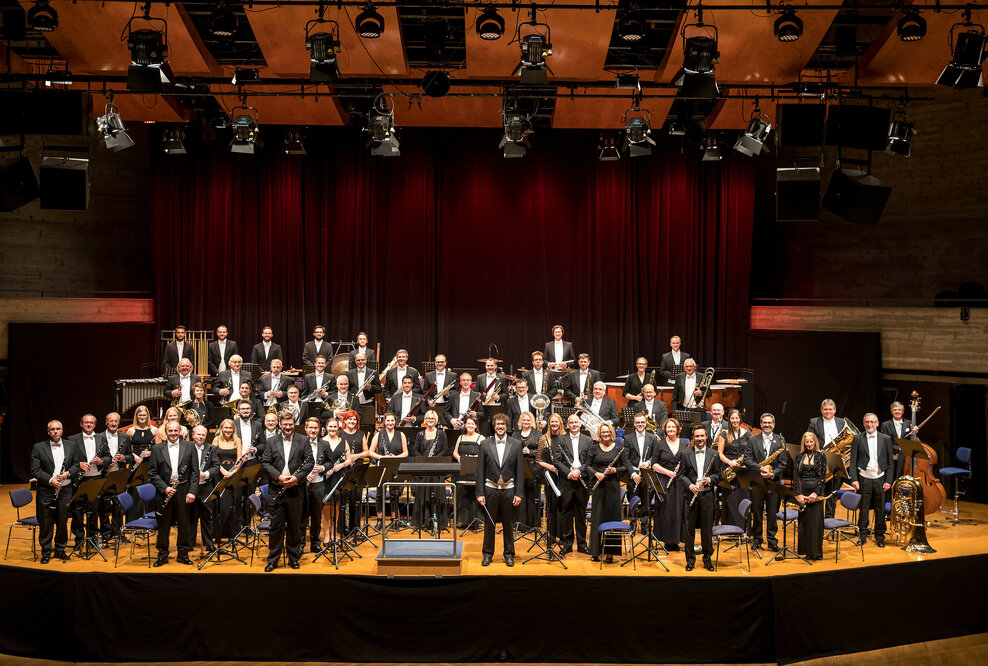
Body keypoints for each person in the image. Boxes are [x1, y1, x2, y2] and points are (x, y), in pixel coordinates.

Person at [261, 412, 313, 571]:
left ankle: (293, 558)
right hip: (276, 490)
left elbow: (310, 461)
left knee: (294, 526)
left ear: (294, 424)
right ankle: (273, 560)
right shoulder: (271, 441)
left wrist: (296, 478)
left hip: (296, 491)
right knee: (275, 527)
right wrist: (279, 477)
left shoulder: (303, 440)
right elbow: (265, 463)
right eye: (284, 424)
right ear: (279, 425)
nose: (288, 427)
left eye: (290, 424)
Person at [476, 412, 525, 566]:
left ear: (507, 426)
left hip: (509, 490)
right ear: (494, 426)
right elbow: (480, 470)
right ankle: (487, 554)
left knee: (508, 524)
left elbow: (519, 472)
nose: (500, 427)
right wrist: (480, 493)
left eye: (502, 424)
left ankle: (509, 554)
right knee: (489, 524)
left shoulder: (516, 444)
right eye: (497, 424)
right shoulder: (484, 444)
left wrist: (518, 493)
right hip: (490, 489)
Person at [148, 421, 199, 566]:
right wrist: (164, 488)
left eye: (175, 431)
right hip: (165, 492)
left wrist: (192, 492)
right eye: (170, 431)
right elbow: (152, 473)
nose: (173, 433)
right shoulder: (157, 449)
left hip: (183, 491)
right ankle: (162, 555)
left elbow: (195, 472)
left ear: (180, 431)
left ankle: (183, 554)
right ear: (165, 432)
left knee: (184, 525)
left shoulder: (189, 446)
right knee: (163, 526)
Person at [30, 420, 78, 563]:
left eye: (58, 429)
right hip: (46, 489)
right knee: (46, 522)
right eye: (52, 429)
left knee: (62, 522)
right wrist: (51, 480)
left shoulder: (71, 445)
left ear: (62, 430)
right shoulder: (38, 447)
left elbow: (77, 464)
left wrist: (68, 473)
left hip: (65, 488)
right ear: (48, 431)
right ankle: (46, 551)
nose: (55, 431)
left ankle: (60, 549)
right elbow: (35, 470)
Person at [850, 413, 895, 547]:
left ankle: (880, 537)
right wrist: (854, 479)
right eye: (867, 422)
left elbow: (890, 463)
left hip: (880, 478)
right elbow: (853, 461)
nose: (869, 424)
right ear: (863, 423)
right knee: (863, 509)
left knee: (880, 509)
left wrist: (888, 480)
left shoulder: (886, 438)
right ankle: (862, 535)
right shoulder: (857, 438)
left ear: (877, 423)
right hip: (864, 478)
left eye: (872, 422)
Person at [679, 425, 719, 571]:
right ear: (693, 438)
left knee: (707, 530)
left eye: (702, 436)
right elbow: (680, 475)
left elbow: (718, 475)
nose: (700, 439)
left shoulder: (714, 454)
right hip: (690, 495)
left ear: (706, 436)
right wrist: (690, 486)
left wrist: (710, 479)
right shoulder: (685, 454)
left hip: (707, 496)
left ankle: (707, 559)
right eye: (697, 436)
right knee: (689, 530)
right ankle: (690, 560)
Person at [587, 422, 628, 563]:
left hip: (612, 486)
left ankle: (610, 552)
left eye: (608, 432)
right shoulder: (593, 447)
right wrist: (597, 474)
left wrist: (615, 470)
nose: (606, 434)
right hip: (599, 486)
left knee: (612, 517)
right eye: (603, 432)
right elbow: (588, 466)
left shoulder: (619, 448)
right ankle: (595, 552)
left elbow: (625, 467)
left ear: (612, 433)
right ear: (600, 433)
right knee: (597, 517)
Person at [746, 413, 786, 550]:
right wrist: (760, 468)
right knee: (756, 512)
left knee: (772, 513)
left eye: (769, 423)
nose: (767, 425)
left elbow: (783, 463)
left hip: (773, 483)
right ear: (761, 424)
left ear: (774, 425)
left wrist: (772, 474)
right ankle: (757, 540)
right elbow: (747, 460)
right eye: (764, 423)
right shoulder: (752, 440)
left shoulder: (780, 440)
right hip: (757, 482)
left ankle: (772, 541)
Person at [553, 413, 591, 555]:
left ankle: (582, 544)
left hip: (582, 481)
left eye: (576, 422)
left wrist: (579, 472)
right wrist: (569, 473)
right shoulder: (561, 440)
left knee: (581, 514)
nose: (574, 425)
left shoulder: (588, 440)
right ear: (567, 425)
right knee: (566, 513)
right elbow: (557, 460)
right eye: (571, 422)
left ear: (580, 424)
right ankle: (567, 544)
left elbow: (589, 461)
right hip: (567, 481)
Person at [68, 413, 107, 546]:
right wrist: (79, 464)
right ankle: (79, 539)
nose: (89, 424)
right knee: (77, 511)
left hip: (96, 479)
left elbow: (108, 457)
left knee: (94, 510)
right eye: (86, 422)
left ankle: (93, 539)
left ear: (95, 425)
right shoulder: (72, 439)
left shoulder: (102, 438)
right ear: (81, 424)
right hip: (79, 480)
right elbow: (68, 460)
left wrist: (101, 460)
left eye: (91, 423)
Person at [807, 398, 848, 519]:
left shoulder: (841, 422)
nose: (827, 411)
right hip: (819, 460)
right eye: (825, 409)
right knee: (817, 489)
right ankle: (816, 518)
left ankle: (829, 519)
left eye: (830, 409)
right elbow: (808, 439)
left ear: (835, 410)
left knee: (833, 492)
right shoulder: (814, 422)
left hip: (836, 461)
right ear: (821, 410)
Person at [96, 412, 132, 544]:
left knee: (118, 506)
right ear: (106, 422)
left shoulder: (125, 437)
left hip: (119, 475)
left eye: (115, 421)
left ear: (119, 423)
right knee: (104, 507)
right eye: (110, 421)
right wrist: (105, 462)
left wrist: (124, 458)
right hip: (104, 475)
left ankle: (117, 533)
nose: (113, 423)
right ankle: (105, 533)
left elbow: (130, 456)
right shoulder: (98, 437)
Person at [651, 418, 685, 551]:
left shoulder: (683, 444)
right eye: (668, 427)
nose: (671, 429)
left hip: (679, 482)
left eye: (673, 427)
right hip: (664, 480)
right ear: (665, 429)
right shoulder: (660, 444)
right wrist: (668, 473)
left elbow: (688, 461)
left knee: (678, 510)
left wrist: (679, 469)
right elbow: (654, 464)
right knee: (666, 511)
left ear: (677, 429)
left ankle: (676, 540)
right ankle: (666, 539)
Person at [412, 410, 449, 532]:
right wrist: (423, 460)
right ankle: (424, 521)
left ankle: (439, 521)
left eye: (432, 418)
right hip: (424, 468)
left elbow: (445, 449)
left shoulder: (441, 434)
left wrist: (435, 459)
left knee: (437, 494)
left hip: (437, 467)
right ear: (425, 420)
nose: (430, 420)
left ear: (436, 420)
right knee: (423, 493)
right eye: (428, 418)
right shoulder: (420, 434)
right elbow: (415, 449)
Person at [369, 412, 408, 527]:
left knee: (394, 494)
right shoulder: (378, 435)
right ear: (384, 422)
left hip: (395, 467)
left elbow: (406, 452)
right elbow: (370, 452)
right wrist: (382, 457)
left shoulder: (401, 435)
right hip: (381, 466)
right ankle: (380, 520)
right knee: (380, 494)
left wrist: (395, 458)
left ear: (395, 422)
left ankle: (394, 520)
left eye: (392, 421)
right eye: (388, 421)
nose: (390, 423)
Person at [713, 408, 750, 527]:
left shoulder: (747, 433)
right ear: (729, 420)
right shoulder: (724, 433)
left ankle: (742, 527)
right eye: (732, 418)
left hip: (742, 469)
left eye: (736, 418)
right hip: (728, 470)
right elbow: (719, 453)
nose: (734, 420)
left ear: (740, 419)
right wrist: (730, 462)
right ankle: (728, 527)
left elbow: (750, 451)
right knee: (730, 498)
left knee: (742, 496)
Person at [794, 432, 827, 560]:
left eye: (811, 442)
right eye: (806, 442)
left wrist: (816, 493)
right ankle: (805, 551)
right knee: (804, 523)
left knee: (815, 523)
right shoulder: (799, 456)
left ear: (815, 442)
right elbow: (796, 476)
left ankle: (815, 553)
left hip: (815, 493)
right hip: (803, 493)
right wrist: (798, 493)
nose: (809, 444)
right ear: (804, 443)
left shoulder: (821, 456)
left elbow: (823, 477)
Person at [318, 417, 350, 547]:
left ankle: (333, 533)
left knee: (336, 506)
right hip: (324, 477)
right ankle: (326, 534)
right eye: (330, 426)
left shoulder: (343, 441)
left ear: (338, 428)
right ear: (326, 427)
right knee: (325, 506)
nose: (332, 429)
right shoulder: (321, 441)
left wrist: (341, 466)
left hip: (338, 477)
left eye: (335, 427)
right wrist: (327, 469)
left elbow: (349, 459)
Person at [189, 425, 219, 553]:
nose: (201, 437)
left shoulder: (211, 449)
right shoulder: (187, 447)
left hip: (206, 486)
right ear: (193, 435)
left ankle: (208, 543)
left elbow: (216, 467)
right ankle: (189, 543)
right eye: (198, 434)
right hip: (190, 487)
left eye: (203, 435)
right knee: (191, 516)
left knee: (207, 516)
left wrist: (205, 474)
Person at [536, 413, 565, 544]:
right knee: (551, 507)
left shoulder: (565, 438)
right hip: (550, 476)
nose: (554, 424)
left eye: (556, 422)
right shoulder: (543, 438)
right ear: (549, 423)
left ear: (560, 423)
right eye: (552, 422)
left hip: (563, 475)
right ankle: (551, 535)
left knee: (563, 506)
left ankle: (563, 535)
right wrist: (549, 466)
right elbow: (538, 460)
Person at [301, 417, 329, 553]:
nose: (313, 430)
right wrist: (304, 474)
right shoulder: (299, 442)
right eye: (310, 427)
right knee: (301, 516)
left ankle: (315, 543)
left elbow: (330, 462)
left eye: (315, 428)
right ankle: (300, 544)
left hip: (318, 484)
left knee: (316, 516)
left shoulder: (324, 444)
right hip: (302, 484)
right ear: (306, 429)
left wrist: (323, 468)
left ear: (319, 430)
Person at [212, 418, 242, 540]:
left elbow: (239, 459)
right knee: (218, 506)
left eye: (230, 428)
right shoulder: (216, 440)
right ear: (221, 428)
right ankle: (217, 534)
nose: (228, 430)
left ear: (233, 429)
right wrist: (223, 471)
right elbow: (213, 458)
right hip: (219, 475)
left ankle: (230, 534)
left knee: (231, 505)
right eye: (226, 428)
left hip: (233, 476)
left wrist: (233, 472)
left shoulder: (237, 440)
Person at [452, 415, 484, 529]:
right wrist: (460, 458)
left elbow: (485, 454)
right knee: (462, 494)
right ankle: (463, 520)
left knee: (473, 494)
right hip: (462, 468)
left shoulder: (481, 438)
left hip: (475, 469)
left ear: (476, 426)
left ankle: (475, 520)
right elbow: (455, 452)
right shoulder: (460, 437)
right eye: (468, 423)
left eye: (472, 424)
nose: (470, 425)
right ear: (465, 425)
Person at [625, 413, 657, 520]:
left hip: (646, 475)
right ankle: (632, 526)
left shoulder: (652, 438)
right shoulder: (628, 438)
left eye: (642, 422)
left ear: (646, 423)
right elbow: (626, 459)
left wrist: (648, 462)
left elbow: (655, 456)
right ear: (634, 424)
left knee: (646, 503)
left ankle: (644, 526)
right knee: (632, 502)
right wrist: (633, 474)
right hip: (633, 474)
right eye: (637, 422)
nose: (640, 424)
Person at [514, 411, 541, 528]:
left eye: (528, 420)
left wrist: (530, 452)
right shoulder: (515, 434)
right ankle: (521, 524)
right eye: (524, 420)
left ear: (532, 421)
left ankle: (533, 524)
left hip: (533, 467)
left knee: (532, 495)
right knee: (520, 494)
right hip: (518, 467)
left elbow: (541, 451)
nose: (526, 422)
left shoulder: (538, 434)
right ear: (521, 421)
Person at [880, 401, 915, 479]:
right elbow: (885, 442)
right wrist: (898, 448)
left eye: (899, 410)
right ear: (892, 412)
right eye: (895, 410)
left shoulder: (909, 423)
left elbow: (911, 440)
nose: (897, 411)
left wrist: (915, 432)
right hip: (892, 452)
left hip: (905, 454)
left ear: (902, 411)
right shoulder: (885, 425)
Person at [346, 352, 382, 425]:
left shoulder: (373, 372)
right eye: (358, 360)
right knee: (354, 425)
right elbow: (347, 389)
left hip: (368, 403)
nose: (360, 362)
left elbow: (379, 389)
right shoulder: (349, 373)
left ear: (366, 360)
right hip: (354, 404)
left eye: (362, 360)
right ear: (355, 361)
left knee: (369, 425)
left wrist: (370, 387)